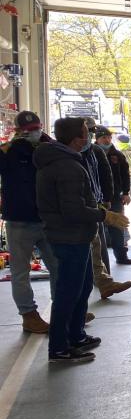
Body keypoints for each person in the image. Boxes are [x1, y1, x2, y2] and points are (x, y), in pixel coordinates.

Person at [34, 117, 130, 363]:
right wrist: (104, 215)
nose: (89, 137)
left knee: (83, 286)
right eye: (86, 133)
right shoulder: (66, 167)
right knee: (69, 293)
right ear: (78, 139)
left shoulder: (66, 161)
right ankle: (59, 347)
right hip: (69, 237)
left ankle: (76, 335)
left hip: (77, 236)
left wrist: (96, 209)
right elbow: (73, 211)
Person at [0, 111, 58, 333]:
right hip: (19, 220)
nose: (33, 133)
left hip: (47, 218)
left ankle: (63, 310)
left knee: (57, 266)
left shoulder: (51, 148)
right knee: (20, 271)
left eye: (36, 128)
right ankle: (29, 315)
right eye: (27, 130)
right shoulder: (9, 152)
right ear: (18, 131)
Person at [81, 118, 131, 299]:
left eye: (91, 132)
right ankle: (75, 305)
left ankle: (105, 282)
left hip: (98, 203)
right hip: (76, 209)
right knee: (81, 252)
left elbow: (108, 176)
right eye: (85, 131)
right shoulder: (64, 155)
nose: (88, 135)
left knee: (99, 243)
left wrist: (109, 199)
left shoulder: (101, 153)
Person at [94, 126, 131, 264]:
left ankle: (121, 256)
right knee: (97, 230)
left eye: (109, 137)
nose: (107, 140)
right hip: (96, 199)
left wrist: (126, 192)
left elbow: (125, 175)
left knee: (117, 227)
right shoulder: (91, 154)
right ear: (97, 139)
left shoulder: (118, 155)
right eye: (103, 137)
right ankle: (100, 262)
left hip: (115, 197)